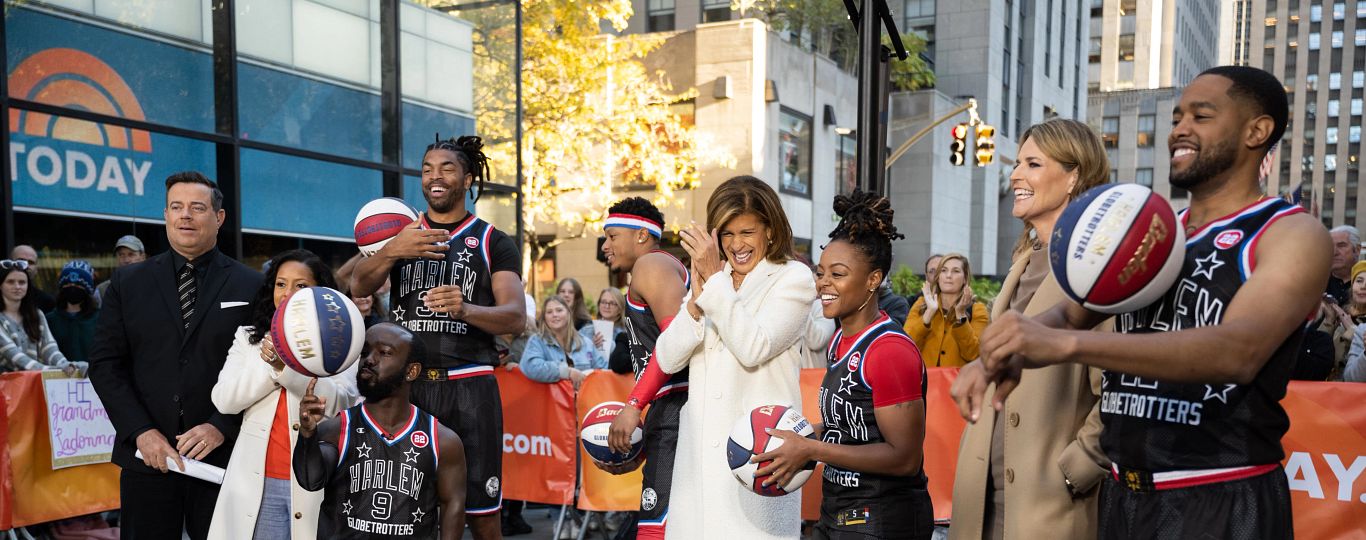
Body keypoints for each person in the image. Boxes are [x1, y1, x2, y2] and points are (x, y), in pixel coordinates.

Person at [962, 66, 1321, 539]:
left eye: (1202, 115)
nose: (1179, 129)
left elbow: (1238, 352)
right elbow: (1071, 312)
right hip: (1123, 495)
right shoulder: (1155, 229)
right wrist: (998, 352)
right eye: (1176, 116)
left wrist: (1067, 345)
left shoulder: (1290, 232)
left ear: (1258, 131)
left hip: (1219, 493)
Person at [350, 135, 525, 539]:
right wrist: (393, 250)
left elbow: (515, 317)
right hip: (407, 390)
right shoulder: (401, 234)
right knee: (403, 510)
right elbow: (359, 284)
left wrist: (466, 309)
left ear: (467, 180)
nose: (435, 176)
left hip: (469, 389)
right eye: (427, 169)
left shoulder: (492, 241)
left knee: (482, 516)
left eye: (447, 168)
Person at [948, 118, 1112, 540]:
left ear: (1074, 175)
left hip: (1046, 508)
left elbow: (1118, 393)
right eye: (1017, 163)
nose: (1016, 174)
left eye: (1033, 164)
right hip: (983, 502)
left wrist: (1074, 472)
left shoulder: (1099, 268)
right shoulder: (1021, 266)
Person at [88, 172, 262, 539]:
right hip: (147, 459)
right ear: (165, 215)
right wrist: (141, 432)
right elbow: (105, 366)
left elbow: (262, 366)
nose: (185, 216)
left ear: (219, 217)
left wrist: (221, 425)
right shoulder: (127, 283)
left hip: (223, 457)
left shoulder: (251, 284)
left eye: (197, 208)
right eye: (176, 207)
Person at [756, 190, 932, 540]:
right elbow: (850, 429)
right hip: (839, 511)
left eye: (837, 274)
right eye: (821, 273)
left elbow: (904, 458)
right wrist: (798, 435)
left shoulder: (889, 350)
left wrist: (810, 448)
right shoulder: (839, 340)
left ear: (872, 280)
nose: (823, 283)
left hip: (882, 518)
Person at [653, 175, 816, 539]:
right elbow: (666, 358)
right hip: (697, 468)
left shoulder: (793, 279)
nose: (736, 245)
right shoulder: (713, 280)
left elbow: (754, 346)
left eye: (747, 232)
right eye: (726, 234)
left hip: (756, 463)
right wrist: (694, 306)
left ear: (770, 231)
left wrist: (713, 284)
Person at [207, 249, 361, 540]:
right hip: (256, 482)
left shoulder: (342, 339)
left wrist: (285, 368)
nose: (288, 293)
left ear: (320, 292)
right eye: (281, 283)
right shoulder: (248, 337)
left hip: (315, 480)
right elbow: (224, 400)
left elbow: (342, 402)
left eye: (301, 286)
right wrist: (271, 367)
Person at [294, 323, 466, 539]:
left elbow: (453, 506)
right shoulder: (338, 428)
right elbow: (310, 481)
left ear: (411, 371)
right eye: (365, 352)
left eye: (384, 353)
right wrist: (308, 435)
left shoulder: (442, 440)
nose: (370, 359)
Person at [598, 196, 690, 540]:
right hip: (670, 410)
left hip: (678, 408)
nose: (605, 246)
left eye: (612, 236)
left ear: (641, 235)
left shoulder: (651, 265)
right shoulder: (655, 268)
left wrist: (634, 404)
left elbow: (677, 341)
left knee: (656, 529)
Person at [905, 254, 989, 367]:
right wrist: (928, 314)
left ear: (965, 278)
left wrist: (961, 315)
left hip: (957, 382)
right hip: (923, 382)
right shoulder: (921, 304)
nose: (948, 275)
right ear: (938, 276)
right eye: (944, 270)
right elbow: (905, 347)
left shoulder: (977, 310)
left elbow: (974, 354)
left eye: (956, 271)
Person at [0, 260, 78, 374]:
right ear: (0, 285)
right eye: (10, 282)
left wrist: (66, 365)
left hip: (33, 383)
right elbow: (14, 356)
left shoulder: (37, 314)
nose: (17, 286)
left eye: (22, 282)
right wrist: (54, 370)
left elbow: (49, 348)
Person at [518, 296, 606, 387]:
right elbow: (531, 367)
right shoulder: (536, 341)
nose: (554, 315)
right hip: (552, 400)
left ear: (568, 313)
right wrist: (566, 372)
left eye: (559, 310)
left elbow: (602, 370)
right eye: (549, 312)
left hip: (585, 399)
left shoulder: (586, 343)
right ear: (544, 318)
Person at [47, 261, 100, 364]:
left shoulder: (100, 319)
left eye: (78, 284)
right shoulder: (49, 320)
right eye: (68, 284)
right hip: (57, 377)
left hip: (91, 377)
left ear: (88, 288)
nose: (72, 287)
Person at [96, 235, 147, 307]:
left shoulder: (154, 285)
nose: (126, 260)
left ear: (143, 257)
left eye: (131, 254)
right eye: (121, 255)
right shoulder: (103, 289)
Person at [10, 245, 56, 313]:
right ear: (9, 263)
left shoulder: (47, 302)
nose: (26, 265)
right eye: (21, 261)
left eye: (31, 262)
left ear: (36, 269)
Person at [1325, 225, 1359, 303]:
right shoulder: (1317, 283)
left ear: (1357, 250)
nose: (1334, 252)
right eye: (1330, 246)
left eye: (1341, 246)